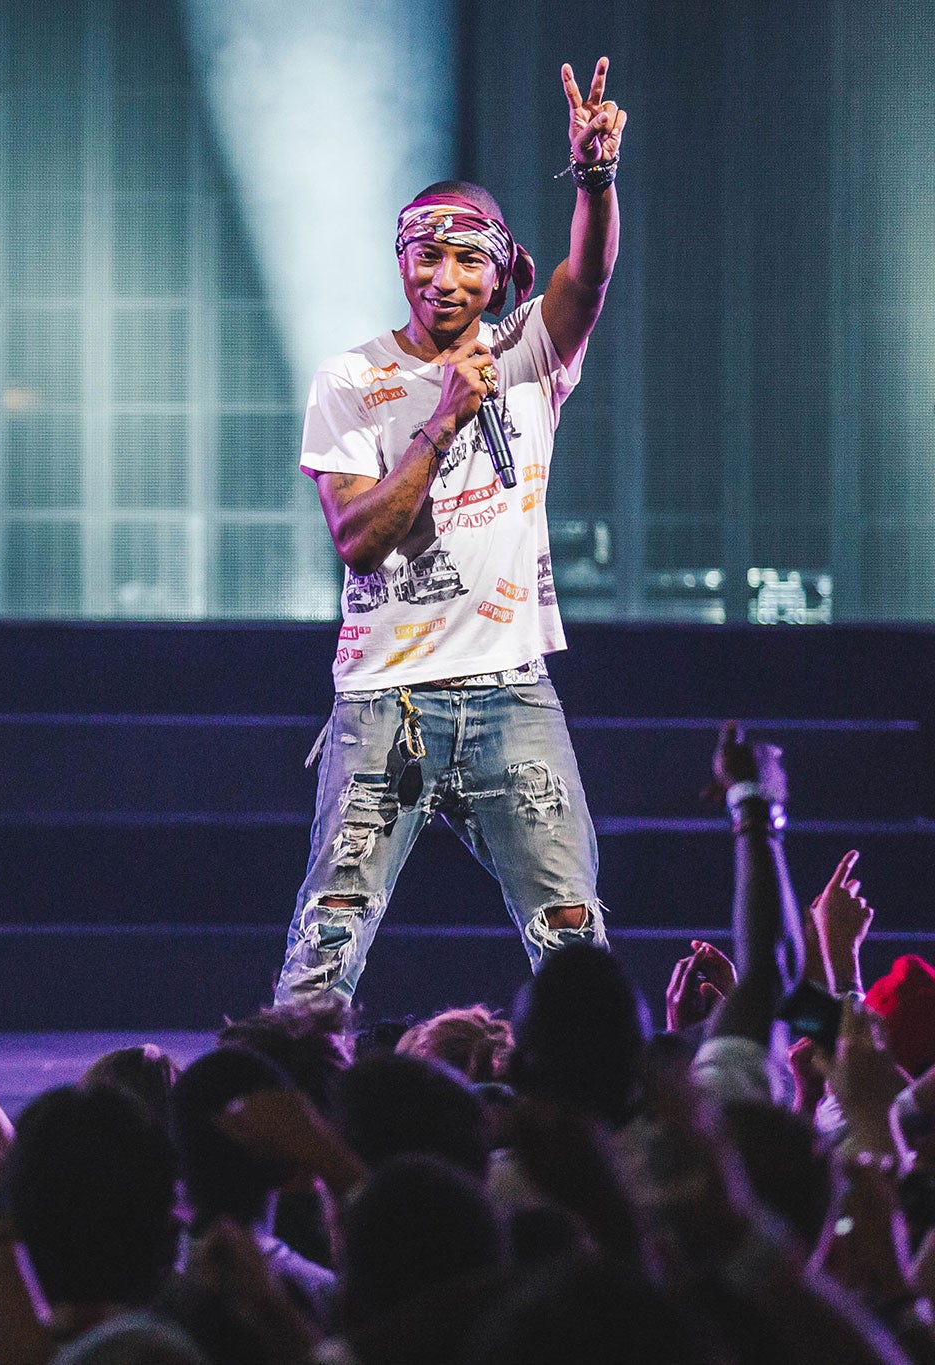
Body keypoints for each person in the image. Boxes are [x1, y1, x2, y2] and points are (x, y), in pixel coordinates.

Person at [278, 59, 628, 1003]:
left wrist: (594, 177)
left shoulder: (530, 352)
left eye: (468, 256)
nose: (444, 276)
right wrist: (440, 425)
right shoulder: (351, 381)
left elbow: (589, 275)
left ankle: (599, 1132)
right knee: (327, 943)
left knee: (574, 944)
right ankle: (281, 1134)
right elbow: (357, 537)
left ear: (498, 265)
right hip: (384, 700)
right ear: (400, 262)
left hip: (510, 690)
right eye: (425, 255)